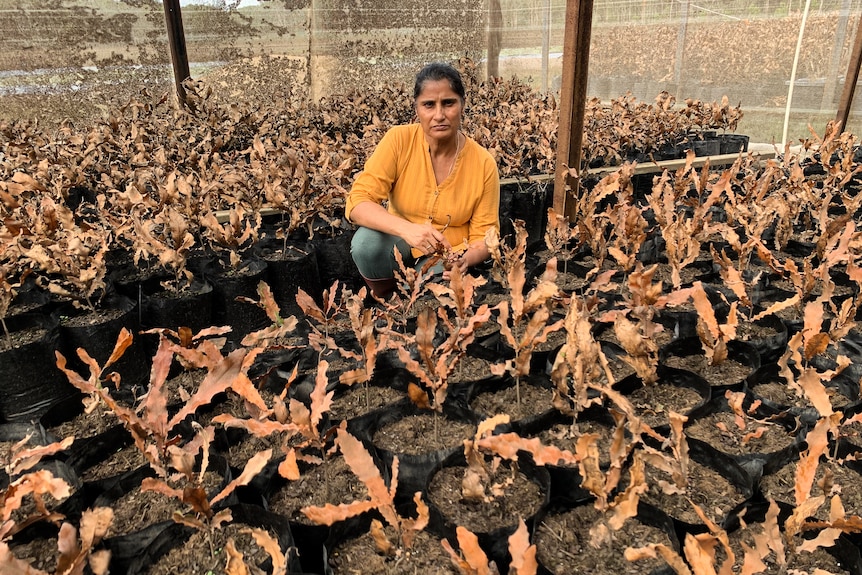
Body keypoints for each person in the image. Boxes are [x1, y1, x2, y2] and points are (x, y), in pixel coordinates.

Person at [345, 62, 501, 299]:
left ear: (462, 105)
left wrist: (465, 260)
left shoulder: (483, 163)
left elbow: (485, 236)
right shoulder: (398, 141)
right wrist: (407, 229)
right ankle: (385, 298)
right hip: (399, 239)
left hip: (448, 254)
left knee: (425, 295)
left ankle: (409, 301)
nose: (439, 115)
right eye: (429, 105)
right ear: (417, 109)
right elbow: (358, 203)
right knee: (367, 244)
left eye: (448, 103)